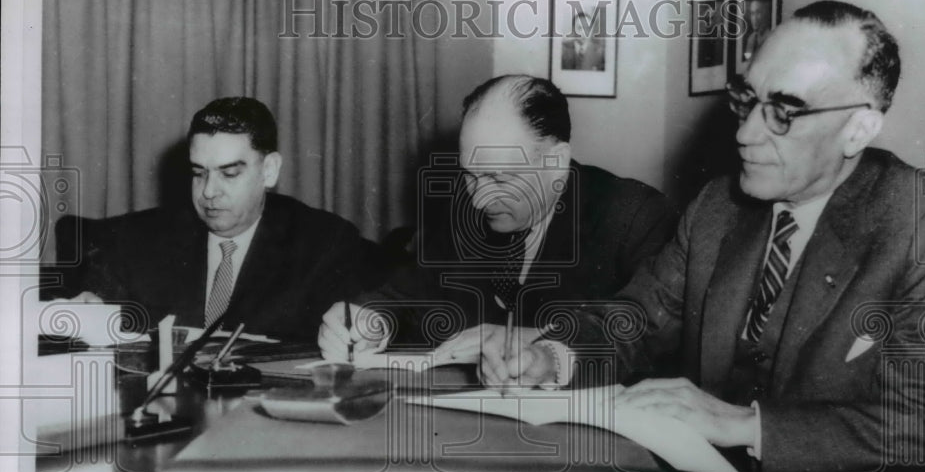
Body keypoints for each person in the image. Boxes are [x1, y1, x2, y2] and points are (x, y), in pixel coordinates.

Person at [479, 2, 925, 472]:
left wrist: (744, 425)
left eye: (784, 111)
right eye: (745, 100)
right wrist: (550, 355)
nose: (746, 133)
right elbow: (635, 319)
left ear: (859, 129)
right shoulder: (718, 209)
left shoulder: (924, 221)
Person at [318, 75, 675, 367]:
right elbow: (408, 298)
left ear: (556, 160)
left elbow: (647, 332)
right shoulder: (467, 214)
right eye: (470, 176)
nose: (478, 197)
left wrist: (530, 338)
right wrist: (371, 321)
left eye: (500, 179)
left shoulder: (630, 215)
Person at [71, 97, 384, 340]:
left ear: (270, 170)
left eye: (229, 173)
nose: (208, 191)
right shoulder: (136, 239)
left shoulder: (323, 242)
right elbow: (99, 299)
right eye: (198, 173)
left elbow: (387, 309)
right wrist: (90, 309)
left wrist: (366, 328)